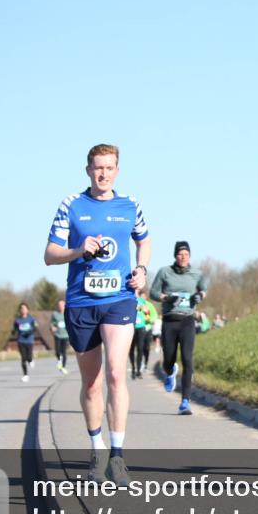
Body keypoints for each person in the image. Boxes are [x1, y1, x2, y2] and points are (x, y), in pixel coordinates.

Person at [44, 143, 151, 486]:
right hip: (81, 302)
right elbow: (50, 254)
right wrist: (78, 250)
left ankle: (118, 457)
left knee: (117, 375)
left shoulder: (130, 205)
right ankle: (97, 449)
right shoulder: (71, 206)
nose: (103, 173)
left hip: (120, 298)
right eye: (97, 168)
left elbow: (144, 240)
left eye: (109, 168)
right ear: (88, 170)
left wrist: (142, 269)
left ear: (117, 171)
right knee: (92, 384)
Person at [149, 241, 208, 415]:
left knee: (188, 360)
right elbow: (153, 292)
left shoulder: (197, 274)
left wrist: (199, 296)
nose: (183, 257)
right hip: (169, 320)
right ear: (175, 256)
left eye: (186, 254)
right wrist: (166, 298)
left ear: (190, 256)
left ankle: (185, 401)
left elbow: (203, 289)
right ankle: (170, 371)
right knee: (168, 359)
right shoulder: (164, 272)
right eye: (180, 254)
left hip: (187, 321)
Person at [129, 289, 158, 379]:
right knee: (131, 349)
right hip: (130, 327)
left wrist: (147, 316)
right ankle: (133, 368)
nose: (136, 294)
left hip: (141, 327)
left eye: (137, 292)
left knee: (140, 349)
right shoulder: (128, 300)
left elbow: (147, 313)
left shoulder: (143, 302)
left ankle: (138, 371)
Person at [11, 303, 38, 382]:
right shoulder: (17, 320)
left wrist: (29, 333)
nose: (23, 310)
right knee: (23, 358)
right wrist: (13, 332)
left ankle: (31, 360)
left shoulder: (31, 319)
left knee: (29, 357)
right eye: (21, 308)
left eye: (24, 308)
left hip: (29, 340)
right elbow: (14, 329)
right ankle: (25, 375)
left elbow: (35, 328)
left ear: (27, 310)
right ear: (20, 310)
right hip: (21, 340)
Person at [50, 299, 69, 374]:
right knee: (57, 351)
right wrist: (52, 327)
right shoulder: (55, 314)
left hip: (66, 335)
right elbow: (52, 323)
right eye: (59, 305)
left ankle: (63, 367)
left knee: (64, 352)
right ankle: (59, 360)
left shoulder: (68, 313)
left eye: (62, 305)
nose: (60, 306)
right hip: (57, 335)